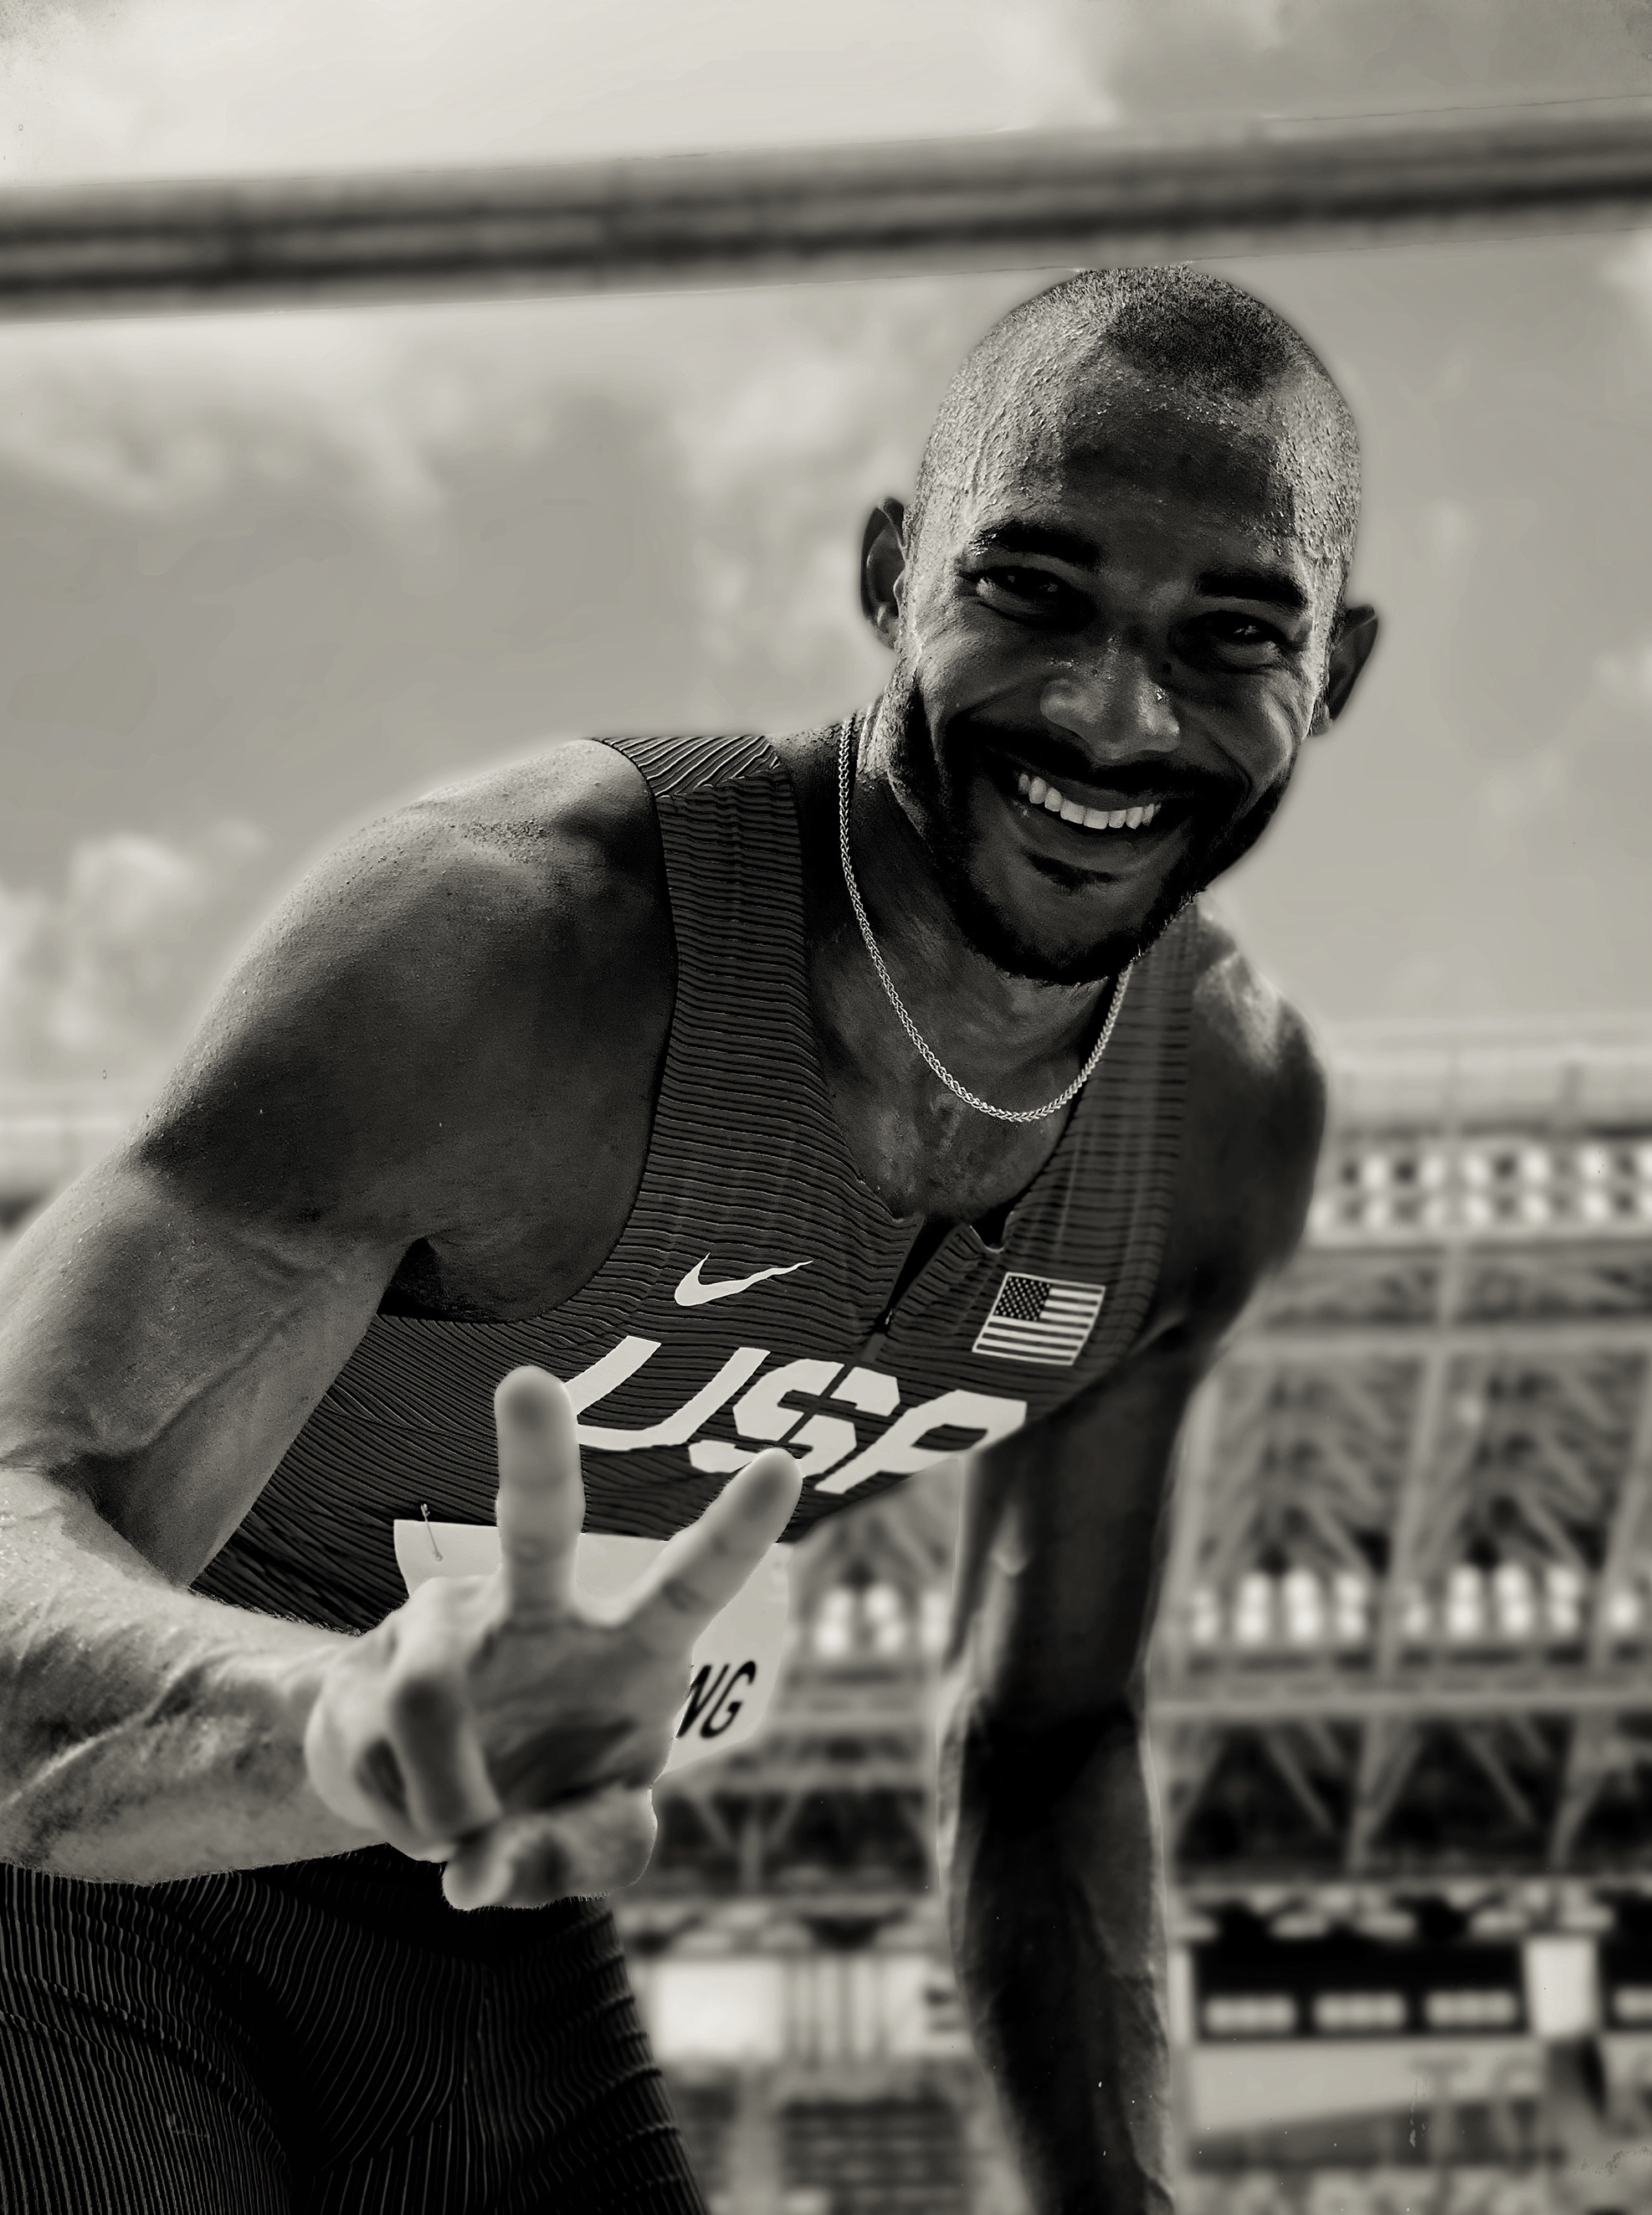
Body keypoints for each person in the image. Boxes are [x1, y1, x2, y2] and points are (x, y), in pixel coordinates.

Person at [0, 263, 1379, 2214]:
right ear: (894, 573)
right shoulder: (516, 945)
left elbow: (1056, 1735)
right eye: (1031, 591)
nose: (1112, 710)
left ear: (1335, 670)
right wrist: (348, 1718)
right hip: (98, 1864)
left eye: (1232, 635)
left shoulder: (1220, 1123)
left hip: (469, 1922)